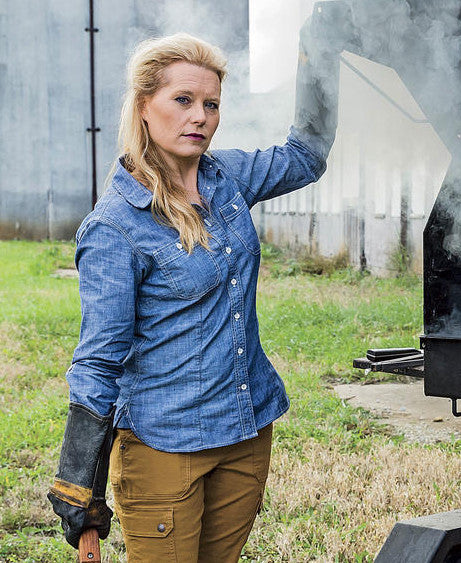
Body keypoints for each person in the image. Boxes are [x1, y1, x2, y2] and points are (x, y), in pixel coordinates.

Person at [47, 4, 352, 561]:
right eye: (183, 100)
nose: (201, 117)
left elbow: (305, 156)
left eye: (211, 104)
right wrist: (78, 493)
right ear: (144, 107)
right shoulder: (114, 227)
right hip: (166, 449)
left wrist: (321, 51)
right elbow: (98, 361)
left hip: (246, 431)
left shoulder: (226, 176)